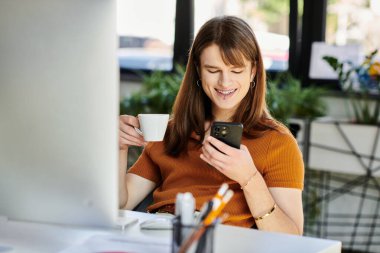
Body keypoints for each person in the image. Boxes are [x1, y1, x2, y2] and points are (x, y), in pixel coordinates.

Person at [118, 16, 304, 235]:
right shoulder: (171, 133)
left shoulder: (277, 142)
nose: (225, 82)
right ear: (198, 69)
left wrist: (249, 178)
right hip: (159, 239)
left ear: (253, 71)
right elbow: (122, 205)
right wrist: (119, 147)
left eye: (236, 71)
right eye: (213, 70)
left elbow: (292, 239)